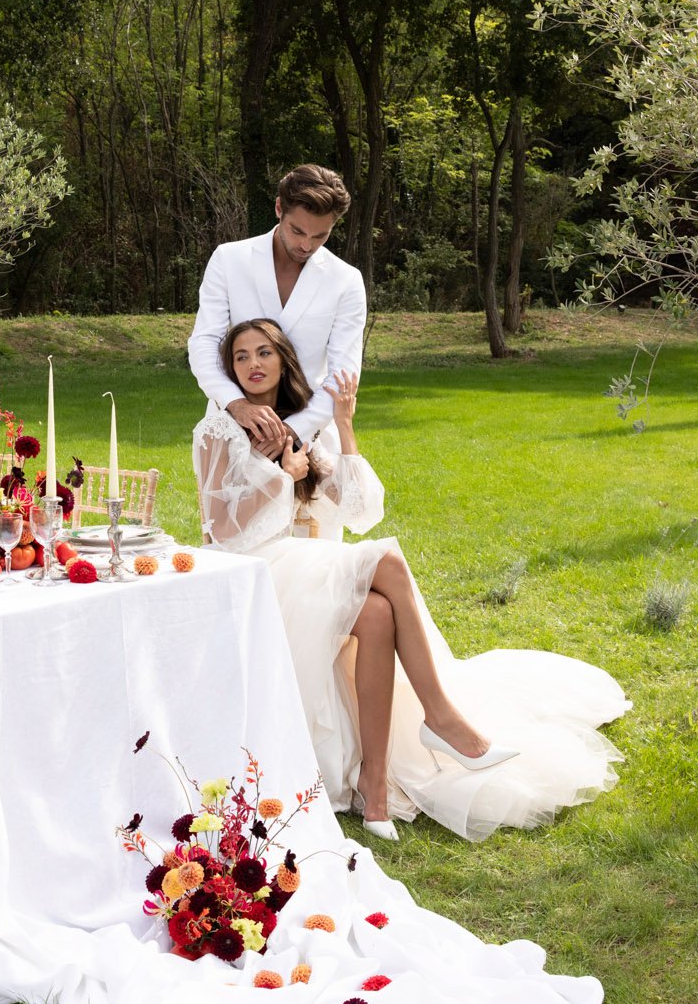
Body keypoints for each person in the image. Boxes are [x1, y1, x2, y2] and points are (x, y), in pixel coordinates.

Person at [193, 319, 629, 843]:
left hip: (310, 570)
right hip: (256, 574)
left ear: (285, 360)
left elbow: (362, 512)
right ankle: (441, 717)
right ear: (230, 371)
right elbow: (222, 530)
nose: (253, 364)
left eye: (264, 352)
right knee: (388, 563)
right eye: (241, 357)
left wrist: (344, 425)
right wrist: (279, 476)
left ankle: (374, 788)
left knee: (377, 614)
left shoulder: (308, 428)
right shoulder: (218, 429)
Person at [188, 165, 365, 470]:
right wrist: (237, 405)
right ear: (279, 208)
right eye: (297, 231)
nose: (306, 245)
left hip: (310, 441)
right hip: (231, 433)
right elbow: (204, 343)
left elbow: (343, 376)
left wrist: (291, 431)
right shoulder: (229, 259)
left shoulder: (346, 280)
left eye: (320, 235)